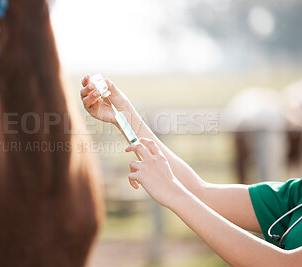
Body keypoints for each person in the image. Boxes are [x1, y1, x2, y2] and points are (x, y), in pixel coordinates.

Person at [80, 74, 302, 266]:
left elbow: (282, 264)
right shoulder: (296, 195)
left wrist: (172, 192)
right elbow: (201, 192)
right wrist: (124, 115)